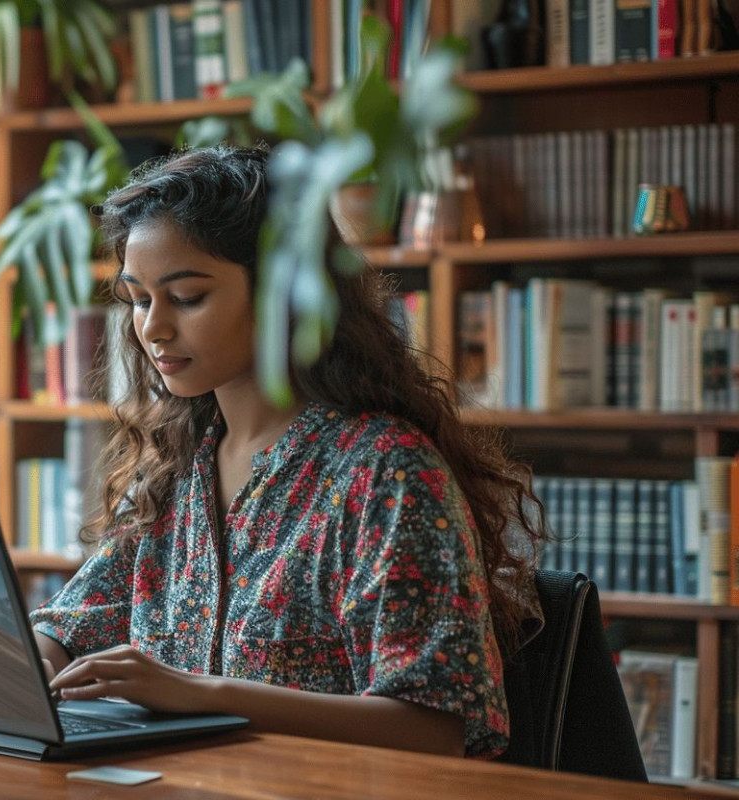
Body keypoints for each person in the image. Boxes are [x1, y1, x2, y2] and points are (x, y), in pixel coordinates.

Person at [32, 144, 545, 759]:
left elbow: (436, 728)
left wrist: (204, 694)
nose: (154, 328)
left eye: (188, 297)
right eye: (140, 299)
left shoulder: (385, 472)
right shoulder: (176, 471)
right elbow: (66, 629)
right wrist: (27, 665)